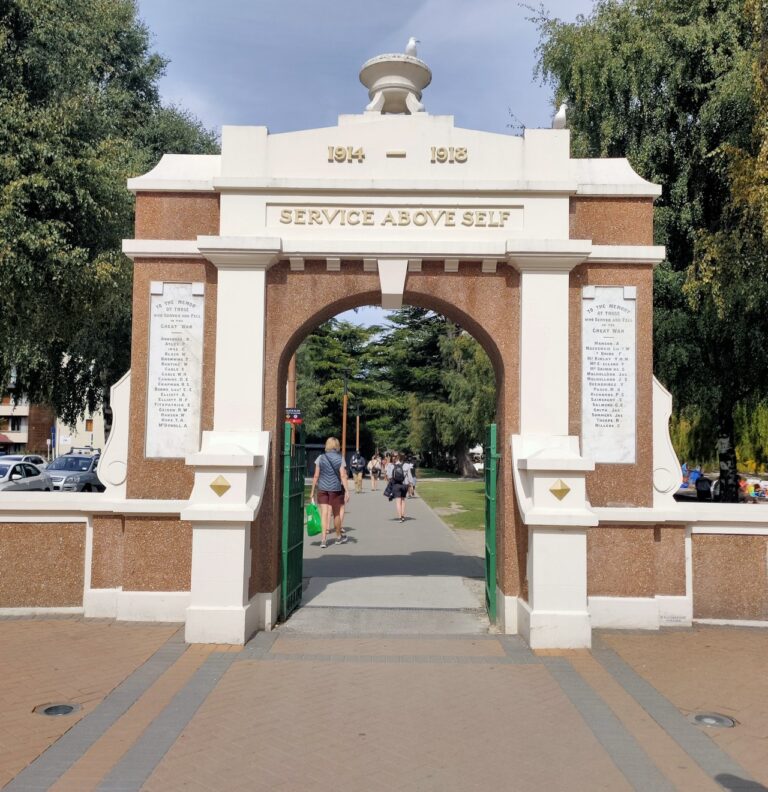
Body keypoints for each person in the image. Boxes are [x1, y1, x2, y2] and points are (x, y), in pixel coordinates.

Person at [309, 437, 350, 548]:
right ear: (337, 446)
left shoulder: (320, 458)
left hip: (322, 488)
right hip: (335, 489)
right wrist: (347, 490)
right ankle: (338, 537)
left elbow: (316, 475)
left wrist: (312, 490)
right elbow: (342, 475)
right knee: (336, 514)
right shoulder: (340, 458)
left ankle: (323, 540)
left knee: (324, 513)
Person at [386, 452, 409, 522]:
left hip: (396, 485)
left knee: (398, 501)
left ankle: (400, 517)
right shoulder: (406, 465)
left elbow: (389, 476)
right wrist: (410, 484)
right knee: (403, 500)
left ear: (392, 457)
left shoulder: (390, 465)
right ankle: (403, 515)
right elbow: (409, 476)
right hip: (404, 485)